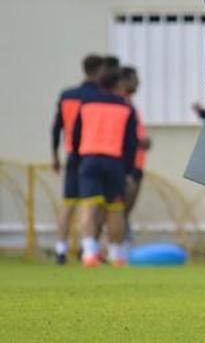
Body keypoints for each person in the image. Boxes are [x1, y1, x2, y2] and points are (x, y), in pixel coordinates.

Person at [71, 68, 138, 268]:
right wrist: (128, 169)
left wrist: (76, 158)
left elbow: (76, 135)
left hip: (89, 158)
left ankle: (89, 253)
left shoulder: (86, 104)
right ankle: (117, 256)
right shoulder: (126, 108)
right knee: (115, 209)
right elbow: (131, 143)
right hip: (114, 162)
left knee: (89, 207)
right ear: (118, 84)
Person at [50, 54, 104, 264]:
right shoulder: (98, 96)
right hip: (91, 153)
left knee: (68, 203)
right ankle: (88, 249)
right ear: (99, 71)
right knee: (91, 205)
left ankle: (60, 250)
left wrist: (55, 155)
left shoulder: (67, 95)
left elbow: (57, 128)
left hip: (71, 154)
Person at [118, 66, 150, 245]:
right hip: (127, 166)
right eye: (135, 78)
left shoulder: (130, 103)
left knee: (125, 209)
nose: (138, 83)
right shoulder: (120, 105)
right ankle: (115, 247)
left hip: (137, 163)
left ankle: (121, 243)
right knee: (119, 208)